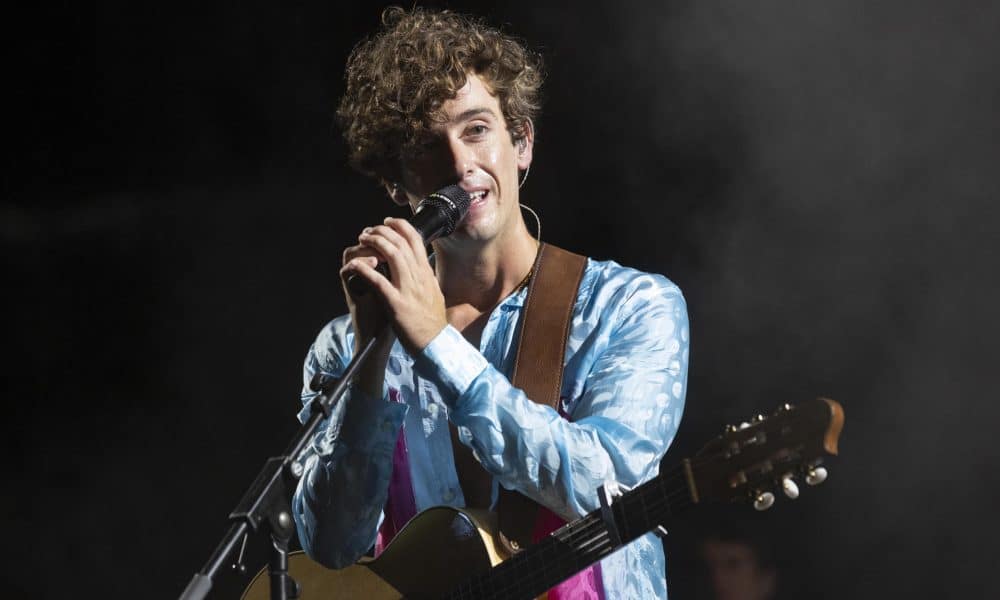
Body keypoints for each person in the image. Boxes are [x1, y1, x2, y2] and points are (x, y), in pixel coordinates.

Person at [292, 7, 689, 598]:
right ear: (398, 185)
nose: (459, 165)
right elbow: (331, 544)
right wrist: (371, 361)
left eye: (476, 129)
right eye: (427, 146)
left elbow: (605, 486)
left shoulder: (629, 306)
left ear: (521, 143)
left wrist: (437, 346)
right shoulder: (343, 344)